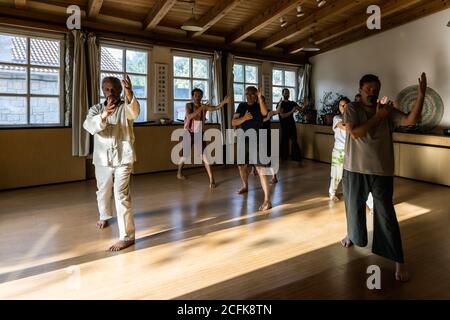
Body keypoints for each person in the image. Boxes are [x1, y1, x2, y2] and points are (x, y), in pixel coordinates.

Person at [341, 72, 427, 282]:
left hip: (382, 172)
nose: (373, 92)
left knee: (386, 216)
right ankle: (352, 234)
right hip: (355, 169)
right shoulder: (353, 108)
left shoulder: (387, 112)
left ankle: (398, 261)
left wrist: (421, 94)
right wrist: (378, 116)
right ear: (360, 90)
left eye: (376, 89)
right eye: (368, 89)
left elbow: (410, 120)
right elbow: (355, 133)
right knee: (353, 207)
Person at [83, 75, 140, 251]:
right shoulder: (95, 109)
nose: (111, 92)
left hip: (123, 157)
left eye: (114, 89)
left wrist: (130, 92)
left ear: (120, 90)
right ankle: (104, 215)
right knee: (104, 189)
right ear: (102, 90)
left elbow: (135, 112)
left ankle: (127, 236)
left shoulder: (125, 108)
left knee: (121, 193)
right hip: (103, 158)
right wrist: (104, 114)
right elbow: (89, 126)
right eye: (107, 89)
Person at [177, 88, 231, 188]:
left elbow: (215, 108)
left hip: (199, 134)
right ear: (192, 96)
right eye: (196, 95)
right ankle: (179, 173)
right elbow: (189, 117)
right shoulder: (189, 105)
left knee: (205, 156)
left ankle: (212, 180)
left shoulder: (204, 107)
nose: (197, 97)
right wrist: (202, 108)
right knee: (184, 155)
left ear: (202, 96)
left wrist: (223, 102)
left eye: (199, 95)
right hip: (188, 133)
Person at [328, 96, 374, 213]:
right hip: (339, 151)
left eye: (345, 105)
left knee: (359, 176)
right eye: (341, 105)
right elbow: (343, 127)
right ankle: (332, 192)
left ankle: (370, 204)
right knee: (337, 174)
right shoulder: (337, 118)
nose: (343, 107)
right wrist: (355, 128)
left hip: (352, 151)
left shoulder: (354, 118)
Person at [232, 86, 272, 211]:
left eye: (252, 94)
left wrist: (260, 98)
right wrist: (244, 118)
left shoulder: (259, 104)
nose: (249, 96)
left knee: (260, 168)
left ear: (255, 95)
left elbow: (265, 113)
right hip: (243, 139)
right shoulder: (241, 106)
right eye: (247, 94)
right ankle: (245, 186)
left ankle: (267, 200)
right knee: (241, 165)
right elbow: (233, 122)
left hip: (257, 139)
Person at [275, 88, 303, 161]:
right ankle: (284, 157)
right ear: (283, 94)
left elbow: (301, 110)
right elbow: (282, 116)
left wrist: (304, 106)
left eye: (288, 93)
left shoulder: (292, 103)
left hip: (292, 124)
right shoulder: (280, 104)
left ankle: (296, 157)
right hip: (284, 125)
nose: (287, 94)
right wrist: (292, 111)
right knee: (285, 141)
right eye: (285, 93)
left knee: (294, 140)